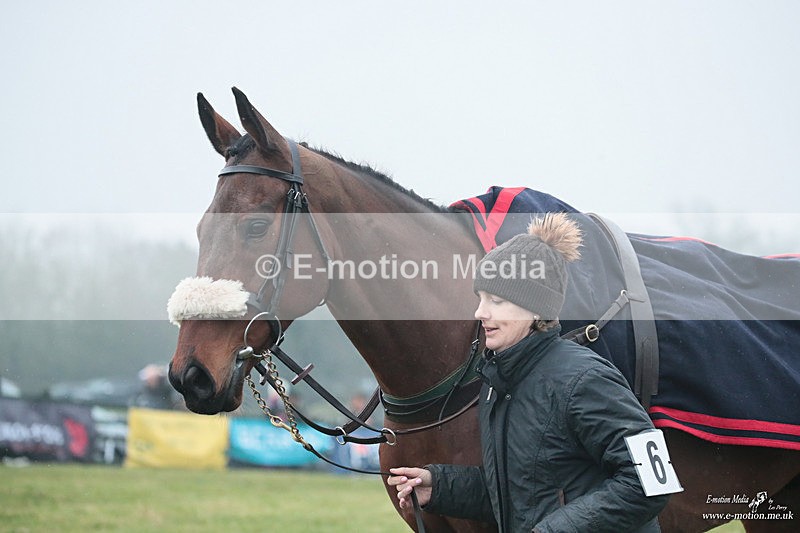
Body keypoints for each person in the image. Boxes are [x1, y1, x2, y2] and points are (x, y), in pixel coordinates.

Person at [388, 213, 672, 532]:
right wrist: (438, 486)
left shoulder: (586, 378)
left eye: (496, 300)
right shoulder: (497, 385)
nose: (481, 312)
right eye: (480, 299)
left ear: (535, 309)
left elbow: (652, 482)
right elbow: (518, 496)